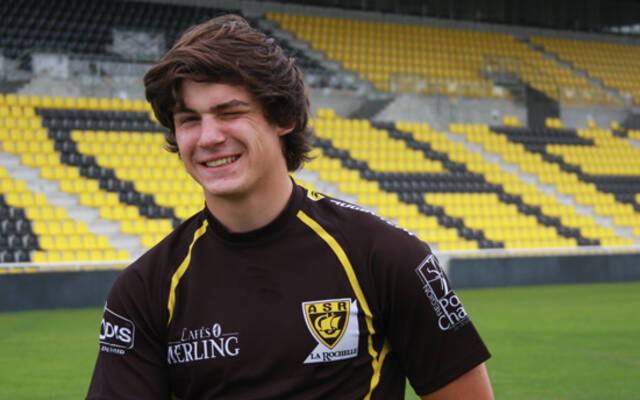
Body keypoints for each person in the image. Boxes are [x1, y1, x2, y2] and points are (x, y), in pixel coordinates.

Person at [86, 14, 493, 400]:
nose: (208, 137)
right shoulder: (144, 289)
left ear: (283, 117)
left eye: (230, 112)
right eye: (189, 119)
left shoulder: (386, 256)